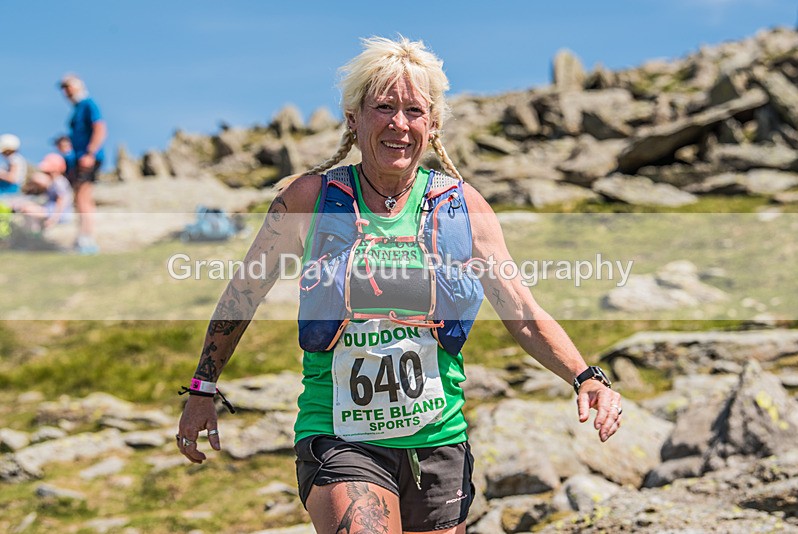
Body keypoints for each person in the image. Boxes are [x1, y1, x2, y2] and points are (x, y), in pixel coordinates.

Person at [176, 36, 623, 534]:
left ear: (431, 126)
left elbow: (520, 307)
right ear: (354, 118)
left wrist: (586, 377)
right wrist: (202, 387)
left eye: (414, 110)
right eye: (383, 107)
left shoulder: (463, 207)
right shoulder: (309, 198)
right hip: (339, 435)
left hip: (438, 442)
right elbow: (244, 293)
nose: (398, 124)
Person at [59, 74, 106, 254]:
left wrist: (90, 153)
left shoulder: (88, 104)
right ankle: (83, 236)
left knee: (83, 196)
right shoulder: (77, 108)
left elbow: (100, 128)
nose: (66, 92)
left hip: (87, 157)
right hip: (78, 158)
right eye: (64, 88)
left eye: (68, 87)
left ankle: (87, 238)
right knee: (79, 196)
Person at [12, 153, 73, 232]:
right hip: (51, 209)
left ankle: (33, 233)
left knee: (29, 210)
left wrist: (53, 219)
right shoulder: (54, 181)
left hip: (60, 214)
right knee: (26, 206)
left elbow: (61, 202)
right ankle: (33, 232)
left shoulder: (59, 183)